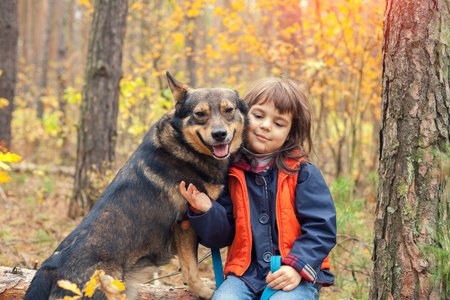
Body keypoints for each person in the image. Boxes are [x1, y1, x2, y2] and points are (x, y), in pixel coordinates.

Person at [179, 77, 336, 300]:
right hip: (246, 274)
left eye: (279, 123)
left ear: (290, 132)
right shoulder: (230, 173)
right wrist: (207, 211)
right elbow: (220, 237)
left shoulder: (302, 172)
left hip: (292, 274)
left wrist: (296, 267)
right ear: (241, 116)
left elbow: (322, 228)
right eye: (259, 116)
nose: (265, 126)